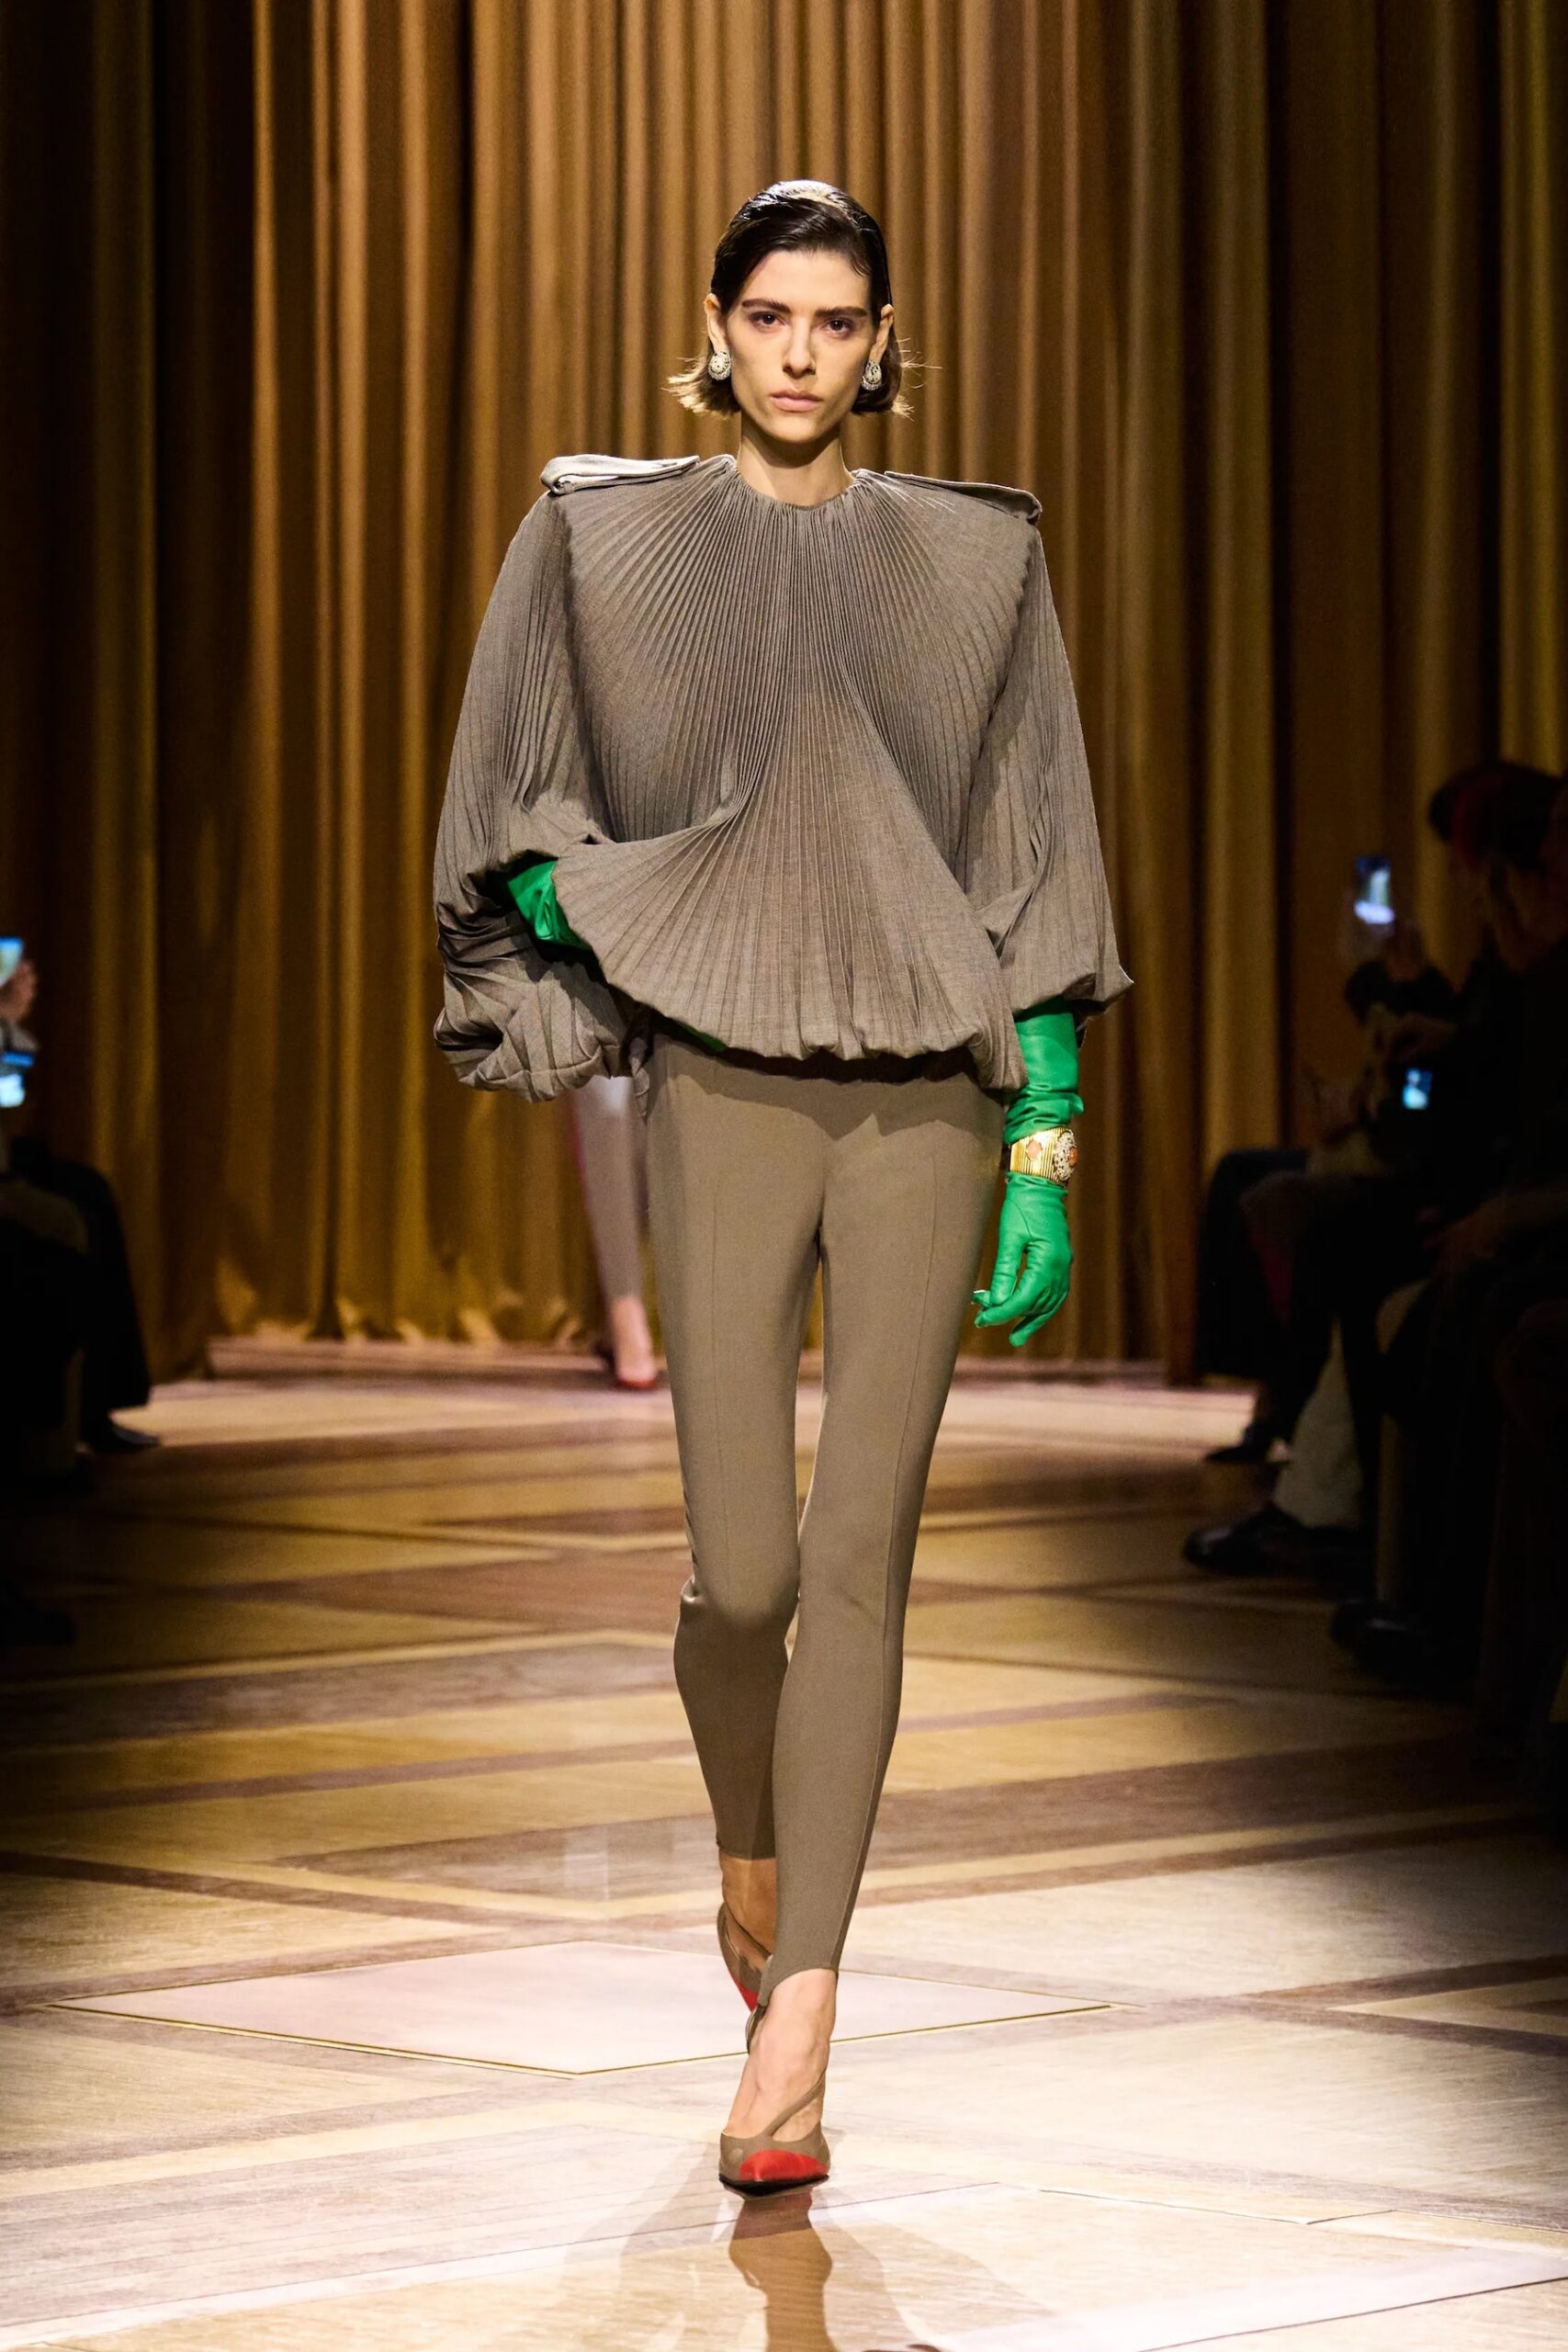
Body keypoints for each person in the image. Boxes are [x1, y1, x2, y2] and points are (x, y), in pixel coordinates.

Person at [433, 180, 1129, 2193]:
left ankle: (803, 2015)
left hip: (927, 1105)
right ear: (717, 326)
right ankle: (751, 1836)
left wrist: (1043, 1139)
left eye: (838, 320)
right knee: (740, 1574)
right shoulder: (601, 535)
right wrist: (612, 904)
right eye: (770, 317)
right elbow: (509, 801)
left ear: (883, 339)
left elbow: (1029, 839)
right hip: (722, 1092)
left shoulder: (976, 558)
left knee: (858, 1561)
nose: (802, 353)